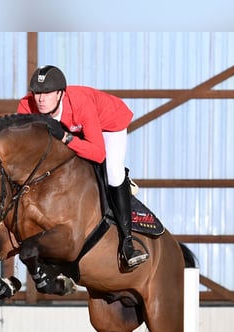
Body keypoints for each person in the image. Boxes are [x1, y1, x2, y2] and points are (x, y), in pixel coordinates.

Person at [17, 65, 149, 270]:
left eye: (46, 93)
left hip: (109, 123)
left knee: (113, 173)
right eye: (36, 93)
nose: (40, 99)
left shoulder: (81, 104)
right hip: (75, 128)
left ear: (61, 93)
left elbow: (98, 153)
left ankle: (128, 244)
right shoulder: (26, 106)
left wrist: (65, 137)